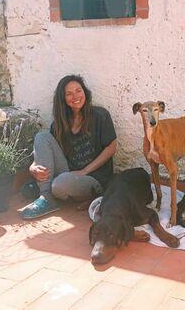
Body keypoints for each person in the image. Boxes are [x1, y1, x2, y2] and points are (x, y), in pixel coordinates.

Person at [21, 75, 117, 219]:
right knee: (41, 136)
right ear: (63, 98)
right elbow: (47, 152)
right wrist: (33, 168)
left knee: (60, 184)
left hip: (94, 178)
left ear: (85, 92)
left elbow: (111, 148)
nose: (75, 96)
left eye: (78, 91)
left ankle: (48, 189)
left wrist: (84, 171)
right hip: (68, 172)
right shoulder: (59, 124)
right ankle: (47, 197)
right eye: (69, 93)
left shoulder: (100, 115)